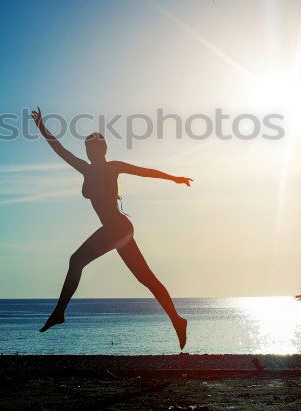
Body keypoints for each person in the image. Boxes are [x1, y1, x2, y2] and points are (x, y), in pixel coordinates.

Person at [31, 107, 191, 349]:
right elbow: (60, 149)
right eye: (87, 148)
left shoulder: (112, 167)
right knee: (145, 278)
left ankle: (59, 313)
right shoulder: (86, 168)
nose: (89, 151)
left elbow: (144, 172)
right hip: (118, 230)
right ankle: (177, 320)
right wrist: (41, 127)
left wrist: (174, 178)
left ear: (103, 149)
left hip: (118, 228)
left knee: (77, 261)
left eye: (93, 148)